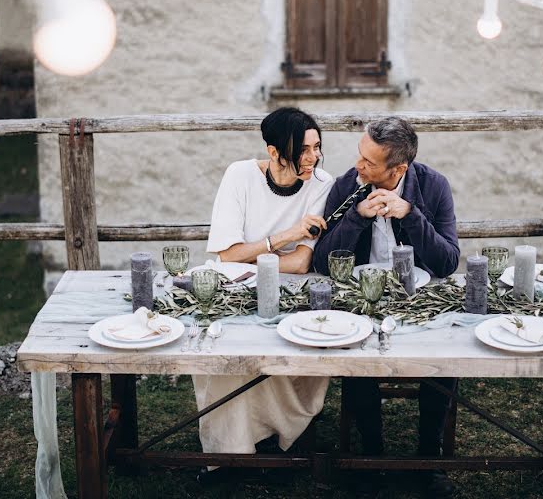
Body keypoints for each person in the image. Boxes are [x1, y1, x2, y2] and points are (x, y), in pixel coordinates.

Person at [311, 116, 460, 497]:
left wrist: (410, 215)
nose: (358, 165)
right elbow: (323, 261)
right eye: (360, 155)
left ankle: (429, 460)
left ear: (399, 169)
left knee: (443, 358)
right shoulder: (347, 185)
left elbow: (446, 263)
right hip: (360, 298)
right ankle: (370, 457)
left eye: (369, 162)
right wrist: (357, 218)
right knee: (356, 355)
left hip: (420, 298)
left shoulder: (433, 185)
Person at [194, 107, 333, 477]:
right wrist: (284, 237)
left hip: (293, 288)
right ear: (274, 152)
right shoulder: (239, 175)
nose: (313, 157)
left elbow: (301, 264)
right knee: (227, 350)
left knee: (293, 342)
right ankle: (231, 451)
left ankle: (286, 432)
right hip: (234, 286)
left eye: (317, 147)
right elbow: (225, 254)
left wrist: (250, 254)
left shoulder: (322, 183)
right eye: (303, 150)